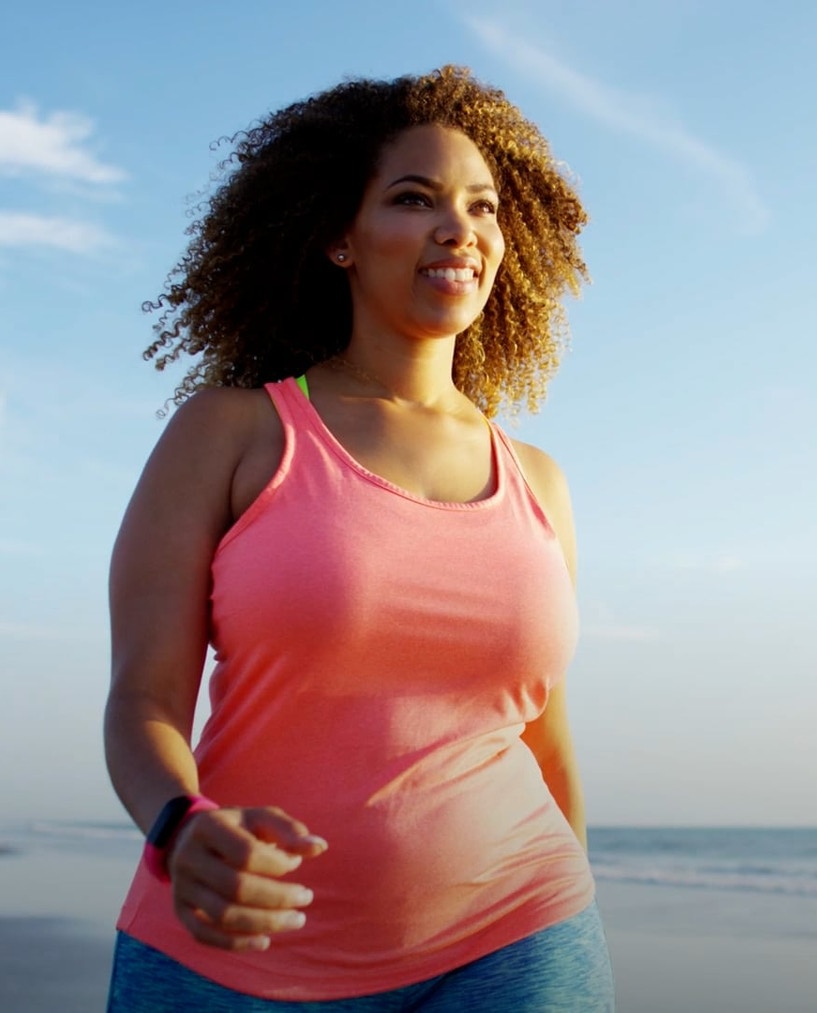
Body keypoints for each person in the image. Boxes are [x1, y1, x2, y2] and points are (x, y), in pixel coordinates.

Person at [103, 66, 612, 1011]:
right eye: (414, 200)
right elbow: (143, 699)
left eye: (482, 206)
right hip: (231, 964)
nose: (459, 228)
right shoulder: (234, 433)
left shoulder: (540, 480)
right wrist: (179, 826)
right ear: (340, 237)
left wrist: (581, 932)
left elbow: (546, 740)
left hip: (520, 941)